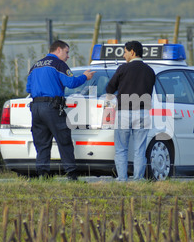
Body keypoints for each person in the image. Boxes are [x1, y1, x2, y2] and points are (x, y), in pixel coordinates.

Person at [26, 40, 95, 180]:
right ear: (58, 50)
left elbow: (28, 88)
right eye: (67, 52)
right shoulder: (58, 64)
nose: (68, 56)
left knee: (42, 143)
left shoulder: (35, 66)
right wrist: (85, 77)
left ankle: (42, 175)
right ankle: (72, 175)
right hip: (52, 108)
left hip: (36, 108)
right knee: (64, 140)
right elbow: (71, 83)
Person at [106, 41, 156, 181]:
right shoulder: (150, 71)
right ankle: (138, 179)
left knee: (121, 148)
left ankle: (122, 179)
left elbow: (109, 89)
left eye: (125, 52)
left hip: (124, 112)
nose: (124, 55)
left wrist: (117, 93)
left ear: (132, 52)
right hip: (142, 113)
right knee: (140, 149)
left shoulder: (123, 69)